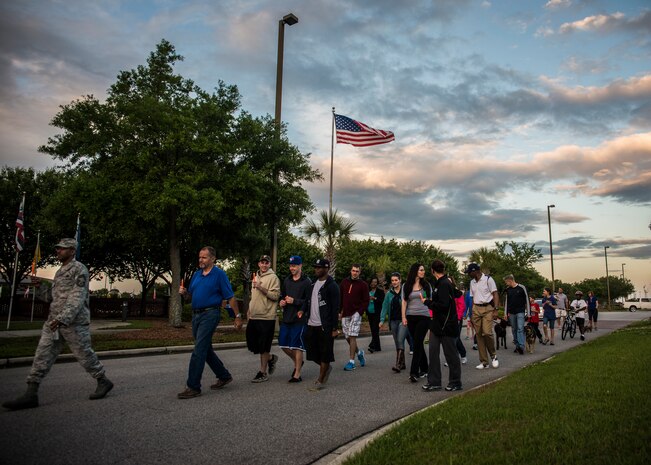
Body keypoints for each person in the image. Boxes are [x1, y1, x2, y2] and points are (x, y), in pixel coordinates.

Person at [3, 238, 114, 410]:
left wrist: (63, 318)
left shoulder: (79, 269)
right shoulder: (60, 272)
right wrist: (40, 288)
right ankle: (31, 393)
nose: (58, 251)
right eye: (57, 249)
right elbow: (52, 297)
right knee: (42, 355)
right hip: (53, 322)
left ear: (72, 251)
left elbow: (77, 297)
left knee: (84, 354)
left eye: (62, 249)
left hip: (73, 323)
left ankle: (103, 380)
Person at [177, 246, 242, 399]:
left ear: (212, 259)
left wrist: (237, 316)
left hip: (210, 314)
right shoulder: (197, 275)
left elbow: (230, 297)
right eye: (199, 257)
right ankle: (224, 375)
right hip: (196, 315)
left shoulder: (219, 275)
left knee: (199, 350)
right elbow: (190, 297)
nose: (201, 260)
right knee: (205, 350)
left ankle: (193, 386)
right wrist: (185, 293)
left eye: (204, 257)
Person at [423, 260, 462, 392]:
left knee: (451, 355)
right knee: (433, 352)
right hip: (437, 325)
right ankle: (434, 381)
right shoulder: (440, 284)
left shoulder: (444, 284)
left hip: (447, 325)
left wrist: (428, 303)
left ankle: (456, 382)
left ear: (432, 270)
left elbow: (444, 305)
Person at [305, 258, 340, 391]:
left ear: (326, 269)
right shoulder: (313, 284)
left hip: (325, 326)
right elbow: (308, 301)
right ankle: (325, 367)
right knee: (311, 351)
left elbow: (335, 308)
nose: (317, 269)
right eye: (316, 267)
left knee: (325, 353)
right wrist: (303, 311)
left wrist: (335, 328)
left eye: (319, 267)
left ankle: (320, 379)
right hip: (311, 324)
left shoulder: (332, 286)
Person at [247, 255, 281, 383]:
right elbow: (253, 296)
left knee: (263, 347)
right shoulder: (255, 277)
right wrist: (249, 309)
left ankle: (262, 372)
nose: (264, 265)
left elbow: (275, 296)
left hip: (267, 317)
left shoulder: (274, 278)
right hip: (254, 316)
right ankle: (271, 358)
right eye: (262, 262)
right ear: (259, 264)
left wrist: (260, 287)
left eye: (267, 263)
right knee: (253, 344)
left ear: (269, 264)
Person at [279, 255, 311, 382]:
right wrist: (281, 302)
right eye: (291, 266)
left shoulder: (307, 281)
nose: (291, 268)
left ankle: (297, 373)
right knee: (283, 344)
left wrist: (294, 301)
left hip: (299, 318)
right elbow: (282, 295)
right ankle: (298, 362)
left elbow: (308, 301)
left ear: (300, 266)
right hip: (287, 317)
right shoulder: (287, 280)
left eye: (294, 266)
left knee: (297, 346)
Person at [466, 263, 500, 370]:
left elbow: (495, 294)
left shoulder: (488, 279)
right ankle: (484, 362)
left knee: (487, 332)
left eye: (469, 272)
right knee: (479, 335)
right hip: (476, 308)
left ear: (475, 271)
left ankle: (493, 356)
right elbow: (471, 298)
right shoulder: (472, 282)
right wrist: (471, 314)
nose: (469, 275)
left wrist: (496, 310)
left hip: (487, 308)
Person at [401, 263, 431, 382]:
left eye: (424, 270)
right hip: (410, 317)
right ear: (415, 271)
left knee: (417, 343)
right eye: (421, 270)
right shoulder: (406, 285)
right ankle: (425, 368)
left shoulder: (426, 285)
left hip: (424, 316)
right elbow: (404, 302)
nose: (423, 272)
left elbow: (430, 300)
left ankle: (414, 372)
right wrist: (403, 317)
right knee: (418, 343)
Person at [339, 264, 370, 371]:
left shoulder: (363, 285)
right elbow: (340, 297)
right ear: (350, 271)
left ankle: (351, 362)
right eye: (353, 270)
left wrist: (360, 312)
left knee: (352, 336)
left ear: (359, 272)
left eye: (357, 271)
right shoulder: (344, 282)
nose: (355, 272)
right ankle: (359, 352)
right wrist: (339, 311)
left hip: (356, 314)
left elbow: (366, 300)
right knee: (347, 337)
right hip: (345, 313)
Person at [379, 272, 408, 372]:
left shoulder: (405, 293)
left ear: (400, 280)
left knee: (400, 340)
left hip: (403, 320)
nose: (394, 282)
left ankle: (398, 364)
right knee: (397, 342)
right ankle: (403, 363)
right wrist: (382, 320)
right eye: (392, 280)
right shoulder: (389, 294)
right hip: (393, 321)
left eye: (396, 280)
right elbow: (384, 307)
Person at [503, 274, 530, 355]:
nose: (506, 284)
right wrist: (505, 313)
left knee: (520, 328)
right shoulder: (508, 289)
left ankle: (521, 346)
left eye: (506, 282)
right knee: (514, 329)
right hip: (511, 312)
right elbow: (506, 302)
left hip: (520, 311)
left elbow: (527, 300)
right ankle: (517, 345)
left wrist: (528, 313)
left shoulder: (522, 287)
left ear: (510, 280)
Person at [367, 277, 384, 353]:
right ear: (370, 282)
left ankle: (372, 346)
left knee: (375, 329)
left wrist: (375, 298)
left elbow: (383, 301)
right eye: (372, 282)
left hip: (377, 313)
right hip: (369, 313)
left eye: (375, 282)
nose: (373, 283)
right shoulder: (367, 291)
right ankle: (377, 347)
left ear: (377, 283)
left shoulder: (380, 291)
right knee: (374, 330)